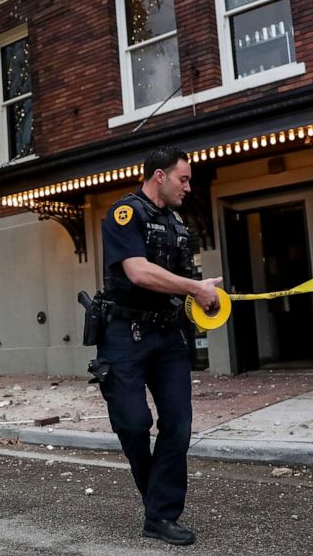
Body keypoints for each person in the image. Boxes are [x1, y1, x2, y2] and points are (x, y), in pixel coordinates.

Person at [96, 146, 222, 546]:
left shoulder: (178, 224)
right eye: (183, 179)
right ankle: (157, 499)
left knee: (179, 426)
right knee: (133, 424)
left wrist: (208, 299)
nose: (189, 186)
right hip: (124, 335)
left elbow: (185, 284)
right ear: (159, 177)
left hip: (168, 335)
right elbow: (139, 272)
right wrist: (193, 288)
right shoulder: (124, 214)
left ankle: (161, 516)